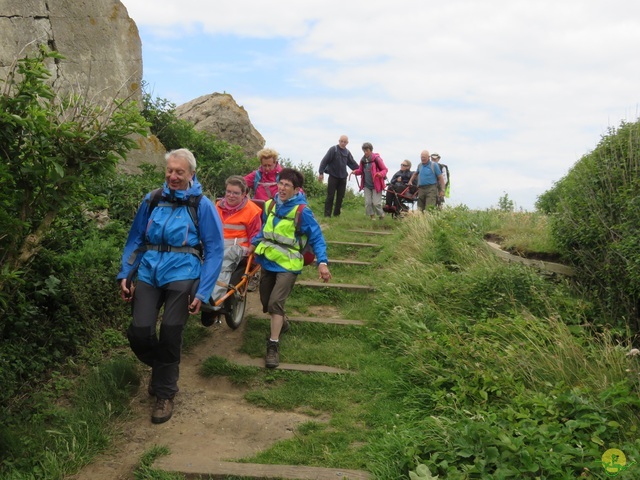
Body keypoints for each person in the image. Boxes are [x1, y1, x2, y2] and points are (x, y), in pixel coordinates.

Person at [117, 148, 224, 424]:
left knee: (170, 333)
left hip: (184, 271)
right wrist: (126, 273)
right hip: (150, 270)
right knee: (139, 332)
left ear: (191, 174)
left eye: (180, 172)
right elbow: (135, 239)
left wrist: (203, 291)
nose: (173, 176)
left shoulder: (202, 205)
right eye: (170, 170)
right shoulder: (152, 199)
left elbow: (214, 250)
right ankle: (164, 369)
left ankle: (164, 393)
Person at [249, 168, 331, 369]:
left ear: (296, 190)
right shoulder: (269, 206)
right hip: (268, 260)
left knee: (276, 302)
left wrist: (322, 262)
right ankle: (282, 322)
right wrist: (252, 244)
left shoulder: (302, 211)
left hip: (289, 263)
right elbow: (263, 231)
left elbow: (317, 237)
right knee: (266, 302)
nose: (283, 188)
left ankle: (273, 345)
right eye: (281, 183)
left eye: (287, 185)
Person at [201, 175, 263, 326]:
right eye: (228, 191)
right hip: (216, 246)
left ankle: (212, 302)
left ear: (244, 194)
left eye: (235, 193)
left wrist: (252, 248)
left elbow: (256, 235)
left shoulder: (252, 211)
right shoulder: (217, 207)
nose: (230, 195)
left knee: (222, 262)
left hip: (238, 249)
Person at [317, 135, 359, 218]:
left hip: (343, 177)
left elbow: (352, 163)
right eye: (341, 141)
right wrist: (321, 173)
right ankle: (327, 215)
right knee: (330, 196)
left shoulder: (347, 152)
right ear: (339, 141)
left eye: (345, 142)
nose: (343, 143)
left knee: (340, 197)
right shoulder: (333, 149)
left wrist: (360, 170)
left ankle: (336, 214)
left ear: (347, 143)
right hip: (333, 176)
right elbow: (324, 161)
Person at [350, 142, 389, 220]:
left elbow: (385, 169)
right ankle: (372, 218)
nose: (365, 152)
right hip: (367, 185)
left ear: (371, 150)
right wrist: (355, 172)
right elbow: (361, 171)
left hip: (376, 185)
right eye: (364, 151)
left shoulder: (377, 159)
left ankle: (381, 215)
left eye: (367, 150)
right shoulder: (363, 160)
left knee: (376, 203)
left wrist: (380, 174)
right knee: (368, 203)